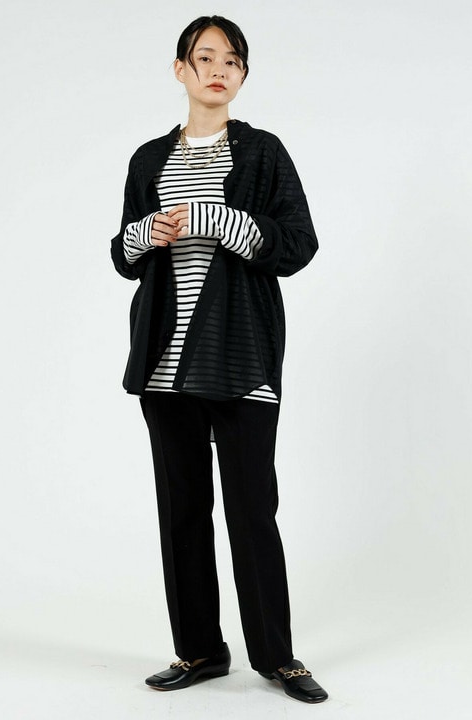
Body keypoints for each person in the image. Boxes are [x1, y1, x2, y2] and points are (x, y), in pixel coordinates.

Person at [111, 15, 328, 704]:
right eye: (204, 58)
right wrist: (148, 231)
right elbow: (122, 254)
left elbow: (298, 244)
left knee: (251, 510)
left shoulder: (262, 153)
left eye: (231, 60)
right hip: (164, 364)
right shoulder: (148, 160)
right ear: (181, 70)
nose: (218, 69)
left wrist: (224, 222)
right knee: (181, 512)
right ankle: (200, 650)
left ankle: (277, 657)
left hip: (242, 361)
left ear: (242, 76)